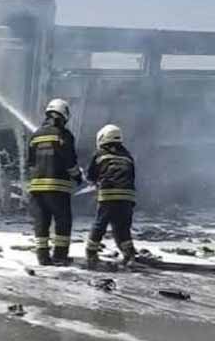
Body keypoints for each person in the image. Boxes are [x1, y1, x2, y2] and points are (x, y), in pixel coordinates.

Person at [26, 98, 83, 266]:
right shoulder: (64, 135)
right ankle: (60, 255)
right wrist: (78, 176)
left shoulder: (35, 135)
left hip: (36, 188)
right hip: (57, 187)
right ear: (64, 115)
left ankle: (42, 256)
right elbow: (70, 161)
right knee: (63, 221)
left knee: (41, 222)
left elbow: (30, 162)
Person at [86, 124, 137, 268]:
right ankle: (129, 255)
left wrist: (94, 181)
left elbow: (91, 176)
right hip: (127, 198)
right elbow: (131, 176)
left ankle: (91, 253)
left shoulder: (99, 154)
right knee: (123, 227)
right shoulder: (127, 155)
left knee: (100, 225)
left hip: (108, 195)